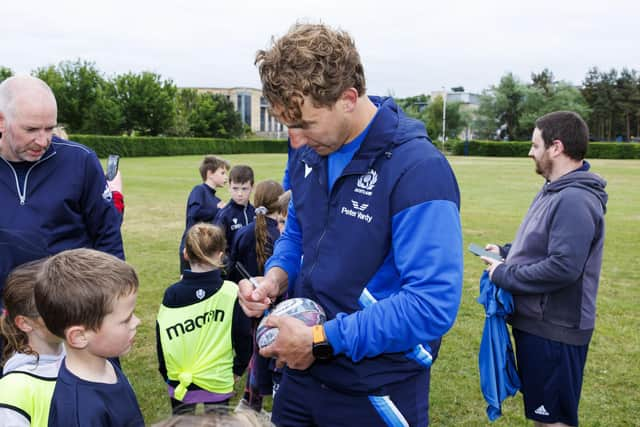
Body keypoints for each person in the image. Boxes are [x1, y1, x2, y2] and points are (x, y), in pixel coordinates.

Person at [238, 23, 463, 426]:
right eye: (288, 126)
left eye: (305, 124)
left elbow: (433, 303)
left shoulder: (419, 169)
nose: (297, 140)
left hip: (376, 388)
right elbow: (299, 232)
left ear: (348, 98)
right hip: (302, 379)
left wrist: (321, 341)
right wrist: (273, 278)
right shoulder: (310, 155)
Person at [481, 111, 607, 427]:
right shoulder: (554, 189)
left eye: (535, 145)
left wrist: (503, 275)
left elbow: (563, 267)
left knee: (553, 421)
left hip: (555, 329)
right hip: (538, 325)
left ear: (556, 147)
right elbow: (543, 245)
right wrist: (506, 253)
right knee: (543, 415)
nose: (530, 152)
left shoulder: (575, 199)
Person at [0, 76, 124, 299]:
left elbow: (108, 235)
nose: (43, 140)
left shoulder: (80, 161)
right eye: (31, 129)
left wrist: (113, 299)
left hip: (69, 310)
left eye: (50, 128)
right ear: (1, 121)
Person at [34, 248, 144, 426]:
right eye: (126, 319)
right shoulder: (80, 415)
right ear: (79, 337)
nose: (137, 322)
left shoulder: (104, 365)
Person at [157, 223, 252, 415]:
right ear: (220, 255)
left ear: (185, 253)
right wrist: (239, 368)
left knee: (182, 422)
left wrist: (165, 371)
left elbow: (162, 338)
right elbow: (244, 335)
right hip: (217, 377)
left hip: (180, 377)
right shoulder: (231, 291)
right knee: (218, 422)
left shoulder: (172, 294)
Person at [228, 180, 284, 415]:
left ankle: (252, 400)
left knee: (257, 350)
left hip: (250, 305)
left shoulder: (244, 232)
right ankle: (257, 402)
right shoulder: (279, 234)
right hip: (271, 307)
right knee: (270, 355)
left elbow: (230, 269)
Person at [0, 259, 62, 427]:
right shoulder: (13, 389)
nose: (70, 313)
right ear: (25, 323)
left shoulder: (84, 355)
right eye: (55, 310)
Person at [179, 155, 230, 273]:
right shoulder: (199, 190)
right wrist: (217, 210)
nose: (226, 177)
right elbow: (194, 213)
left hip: (206, 248)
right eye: (222, 173)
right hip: (192, 247)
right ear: (210, 173)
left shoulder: (216, 200)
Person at [214, 165, 256, 252]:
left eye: (244, 189)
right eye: (235, 188)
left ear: (252, 187)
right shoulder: (224, 215)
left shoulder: (256, 213)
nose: (239, 193)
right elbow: (218, 247)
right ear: (229, 187)